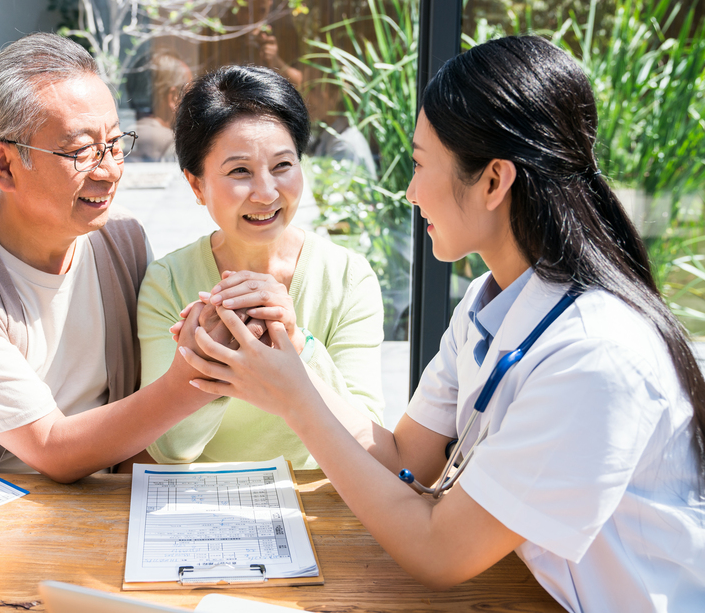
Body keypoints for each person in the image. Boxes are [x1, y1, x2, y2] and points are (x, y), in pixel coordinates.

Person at [178, 36, 705, 611]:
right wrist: (290, 361)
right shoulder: (488, 299)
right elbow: (405, 458)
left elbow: (439, 552)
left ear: (493, 181)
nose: (410, 192)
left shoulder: (596, 355)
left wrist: (295, 400)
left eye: (421, 164)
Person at [0, 33, 226, 482]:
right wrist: (195, 377)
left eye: (115, 142)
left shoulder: (121, 239)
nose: (109, 170)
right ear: (3, 165)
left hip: (86, 499)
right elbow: (51, 448)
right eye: (81, 150)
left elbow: (136, 416)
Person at [135, 65, 385, 469]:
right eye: (239, 171)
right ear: (196, 185)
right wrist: (209, 362)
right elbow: (170, 450)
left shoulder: (347, 279)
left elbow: (368, 436)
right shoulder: (168, 282)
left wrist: (296, 346)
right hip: (207, 502)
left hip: (321, 499)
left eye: (283, 165)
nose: (266, 193)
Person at [125, 50, 192, 162]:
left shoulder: (118, 139)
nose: (193, 103)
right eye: (190, 94)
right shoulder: (175, 146)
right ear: (174, 97)